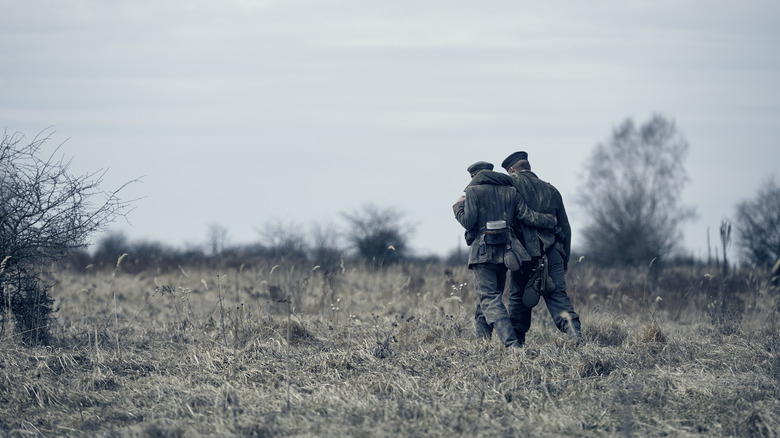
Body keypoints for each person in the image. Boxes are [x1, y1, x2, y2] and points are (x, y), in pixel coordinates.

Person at [453, 161, 557, 348]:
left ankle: (512, 344)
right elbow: (527, 216)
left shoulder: (473, 192)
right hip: (505, 254)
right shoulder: (510, 191)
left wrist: (458, 207)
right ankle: (482, 344)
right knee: (488, 297)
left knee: (489, 298)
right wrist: (550, 220)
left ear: (473, 176)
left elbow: (468, 222)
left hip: (482, 254)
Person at [501, 151, 582, 345]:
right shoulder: (551, 190)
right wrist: (565, 259)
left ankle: (517, 344)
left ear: (512, 170)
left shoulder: (510, 186)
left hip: (523, 255)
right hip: (552, 252)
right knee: (558, 297)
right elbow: (565, 227)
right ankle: (575, 336)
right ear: (528, 167)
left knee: (518, 299)